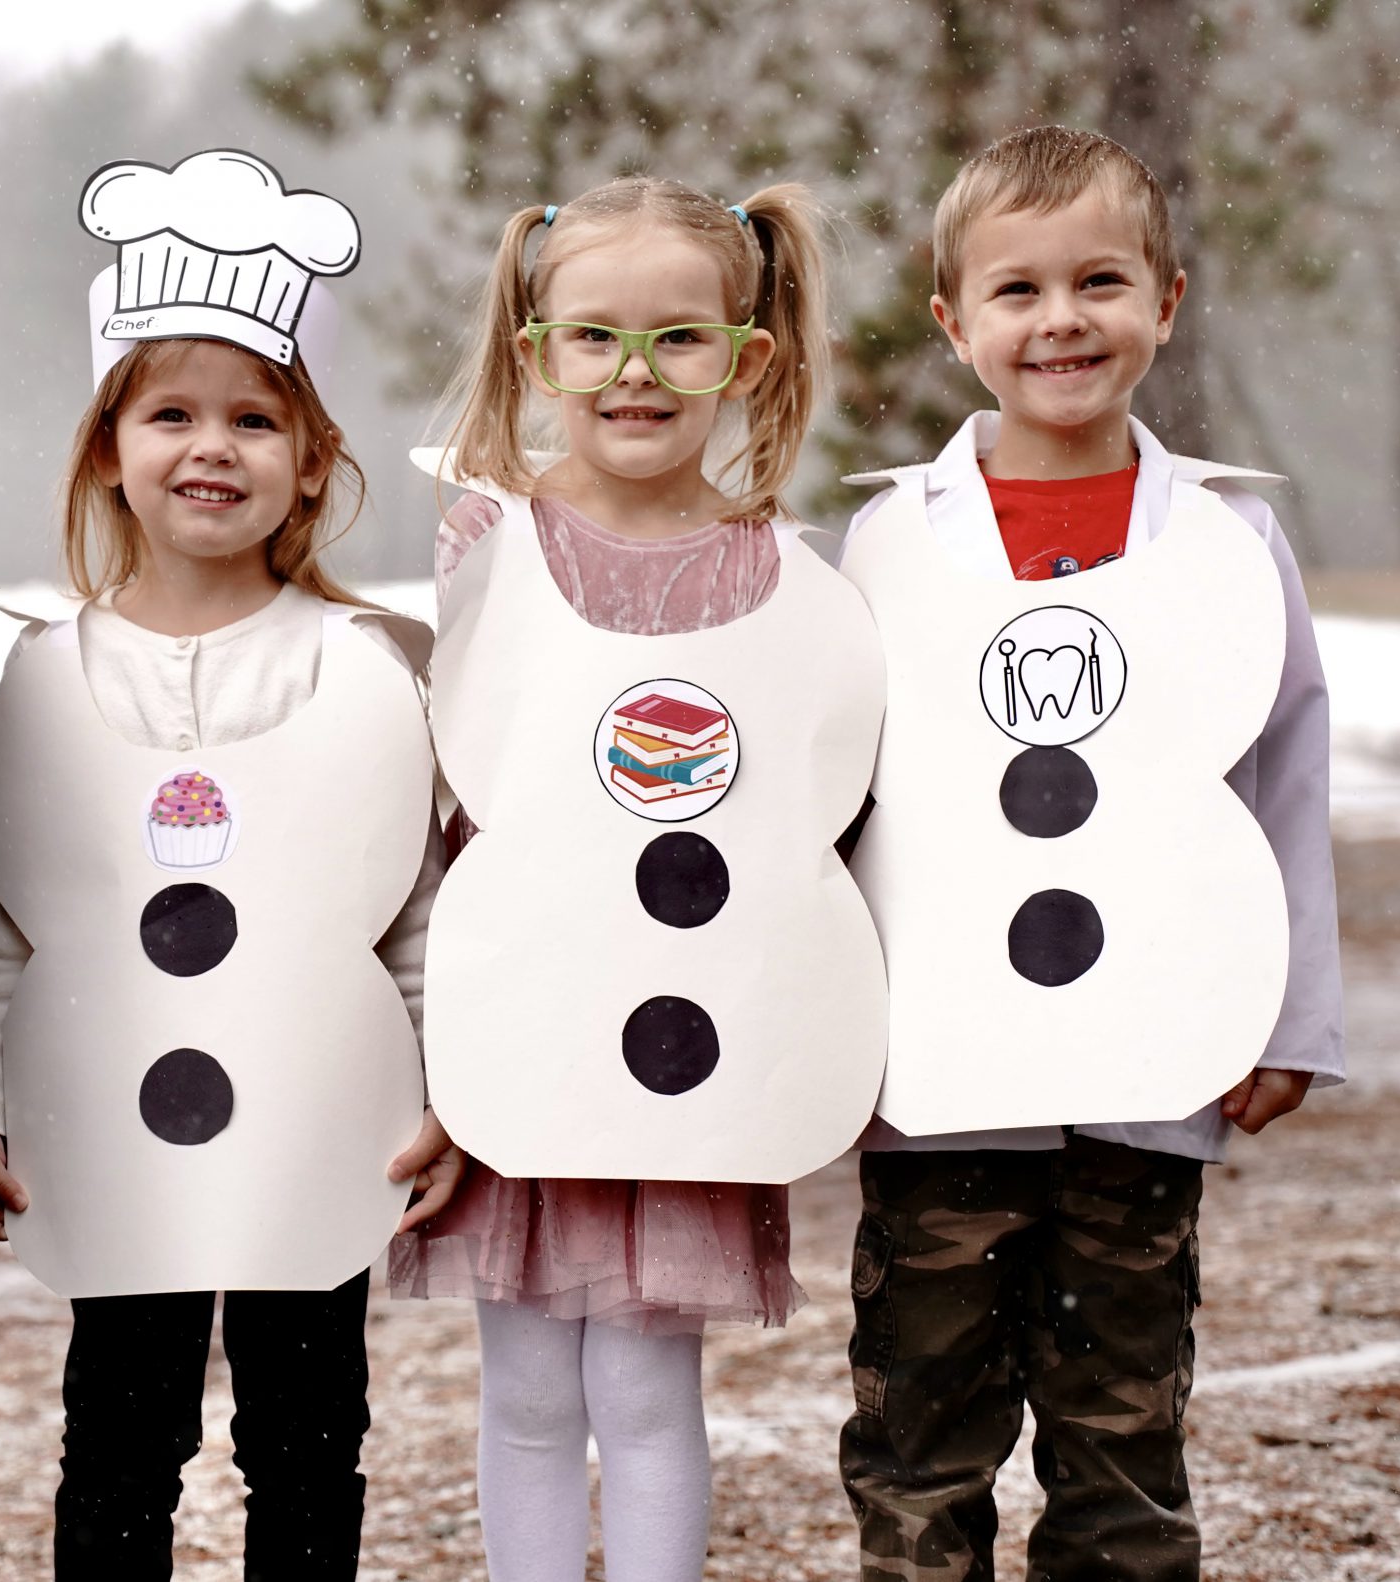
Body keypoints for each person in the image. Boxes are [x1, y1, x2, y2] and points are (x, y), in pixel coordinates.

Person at [833, 126, 1346, 1581]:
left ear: (1167, 302)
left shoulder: (1230, 543)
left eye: (1100, 280)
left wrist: (1285, 1008)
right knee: (920, 1444)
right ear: (955, 323)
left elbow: (1285, 774)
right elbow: (850, 804)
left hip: (1155, 1059)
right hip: (941, 1079)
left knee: (1121, 1439)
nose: (1060, 319)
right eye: (1017, 291)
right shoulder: (888, 544)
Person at [0, 149, 459, 1582]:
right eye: (171, 413)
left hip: (314, 1107)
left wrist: (433, 1087)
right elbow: (20, 921)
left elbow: (402, 911)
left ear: (309, 456)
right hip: (110, 1106)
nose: (210, 447)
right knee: (119, 1436)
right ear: (110, 445)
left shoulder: (363, 669)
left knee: (307, 1437)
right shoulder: (48, 675)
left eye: (252, 417)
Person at [394, 175, 875, 1582]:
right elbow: (452, 817)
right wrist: (434, 1056)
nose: (636, 373)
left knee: (649, 1399)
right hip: (524, 1044)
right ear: (536, 353)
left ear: (749, 357)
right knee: (533, 1398)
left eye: (679, 337)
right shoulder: (488, 552)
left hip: (688, 1048)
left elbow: (811, 832)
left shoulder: (788, 574)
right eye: (594, 337)